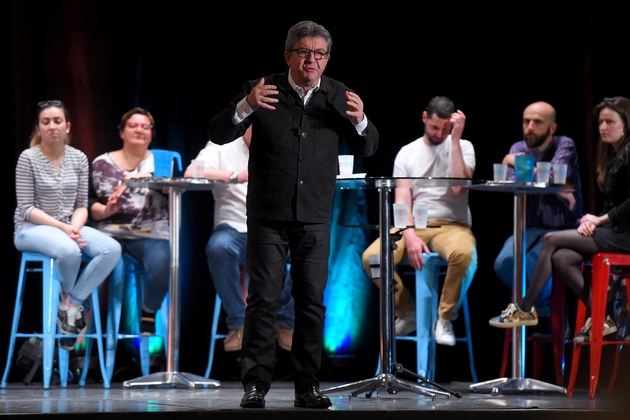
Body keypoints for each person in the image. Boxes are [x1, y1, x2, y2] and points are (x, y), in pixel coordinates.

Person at [208, 20, 378, 409]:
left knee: (312, 302)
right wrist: (246, 105)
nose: (311, 60)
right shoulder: (263, 89)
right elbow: (218, 133)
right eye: (303, 52)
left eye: (319, 53)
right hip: (268, 213)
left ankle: (308, 386)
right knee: (262, 301)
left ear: (327, 59)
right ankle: (255, 385)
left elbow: (369, 146)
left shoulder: (339, 95)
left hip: (316, 214)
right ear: (288, 56)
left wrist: (360, 119)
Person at [489, 96, 630, 343]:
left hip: (623, 233)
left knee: (551, 240)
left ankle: (524, 308)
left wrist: (600, 220)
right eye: (600, 122)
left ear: (626, 124)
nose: (603, 127)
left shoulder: (624, 152)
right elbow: (516, 180)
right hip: (608, 228)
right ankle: (604, 317)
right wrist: (594, 219)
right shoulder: (612, 154)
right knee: (561, 258)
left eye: (609, 122)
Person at [362, 96, 477, 347]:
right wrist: (410, 234)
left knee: (466, 255)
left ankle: (444, 317)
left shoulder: (463, 146)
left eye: (445, 129)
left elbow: (459, 189)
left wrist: (454, 139)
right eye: (435, 127)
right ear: (425, 118)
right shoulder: (408, 152)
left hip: (451, 225)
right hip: (412, 224)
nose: (439, 133)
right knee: (373, 258)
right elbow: (402, 197)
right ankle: (406, 309)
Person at [13, 100, 121, 350]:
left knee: (112, 249)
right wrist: (66, 230)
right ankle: (71, 308)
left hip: (69, 226)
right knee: (70, 249)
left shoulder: (79, 158)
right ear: (38, 129)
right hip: (30, 229)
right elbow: (26, 209)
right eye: (46, 122)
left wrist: (73, 227)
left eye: (57, 121)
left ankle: (70, 304)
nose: (52, 126)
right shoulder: (27, 158)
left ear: (68, 126)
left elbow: (82, 205)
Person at [184, 126, 295, 353]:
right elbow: (191, 171)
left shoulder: (284, 145)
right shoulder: (222, 145)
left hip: (274, 227)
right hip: (233, 227)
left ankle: (285, 320)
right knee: (218, 247)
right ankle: (238, 322)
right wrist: (234, 176)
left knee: (312, 249)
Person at [493, 102, 583, 336]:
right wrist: (555, 189)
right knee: (503, 263)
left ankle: (549, 318)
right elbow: (514, 182)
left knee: (534, 263)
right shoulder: (518, 146)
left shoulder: (565, 144)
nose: (530, 127)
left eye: (537, 122)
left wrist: (516, 162)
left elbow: (553, 175)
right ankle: (541, 312)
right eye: (526, 122)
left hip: (563, 228)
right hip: (529, 227)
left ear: (552, 128)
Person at [88, 107, 170, 335]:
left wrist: (140, 177)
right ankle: (74, 314)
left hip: (150, 233)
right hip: (109, 231)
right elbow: (89, 204)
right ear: (121, 132)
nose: (140, 130)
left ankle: (148, 310)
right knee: (85, 257)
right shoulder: (101, 163)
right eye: (133, 125)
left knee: (166, 262)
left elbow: (172, 187)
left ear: (152, 133)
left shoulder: (161, 162)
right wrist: (107, 209)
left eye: (146, 126)